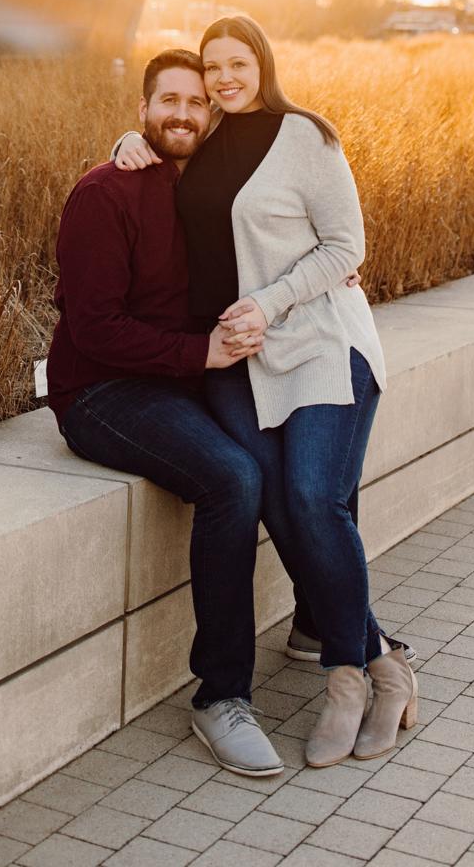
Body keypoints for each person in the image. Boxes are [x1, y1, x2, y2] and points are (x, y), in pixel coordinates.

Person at [114, 14, 418, 766]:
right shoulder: (204, 145)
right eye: (212, 66)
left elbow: (348, 246)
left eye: (236, 63)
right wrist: (125, 145)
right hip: (239, 363)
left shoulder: (307, 136)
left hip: (317, 341)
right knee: (275, 502)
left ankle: (347, 680)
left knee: (314, 497)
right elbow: (164, 152)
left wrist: (271, 302)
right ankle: (387, 663)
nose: (222, 78)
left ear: (262, 64)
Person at [45, 49, 285, 778]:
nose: (182, 113)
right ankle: (220, 697)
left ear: (211, 114)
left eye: (195, 102)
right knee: (232, 478)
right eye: (168, 101)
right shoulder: (104, 193)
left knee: (294, 440)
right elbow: (93, 327)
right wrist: (200, 356)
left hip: (182, 378)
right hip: (102, 392)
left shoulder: (210, 188)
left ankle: (332, 627)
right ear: (144, 110)